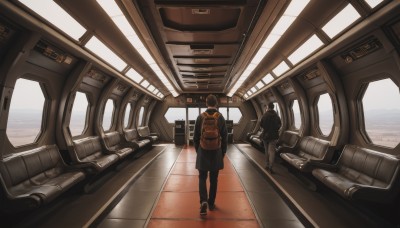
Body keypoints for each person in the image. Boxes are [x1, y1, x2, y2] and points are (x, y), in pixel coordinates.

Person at [193, 94, 227, 216]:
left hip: (203, 151)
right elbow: (225, 136)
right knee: (214, 179)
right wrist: (223, 152)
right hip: (216, 151)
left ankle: (203, 201)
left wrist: (199, 150)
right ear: (216, 103)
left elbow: (195, 137)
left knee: (202, 177)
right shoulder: (220, 117)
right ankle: (211, 203)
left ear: (206, 103)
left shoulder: (200, 117)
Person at [260, 102, 282, 174]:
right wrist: (275, 130)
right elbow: (279, 124)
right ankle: (271, 167)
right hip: (274, 136)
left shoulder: (265, 115)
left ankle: (267, 164)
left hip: (265, 135)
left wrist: (266, 129)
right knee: (272, 151)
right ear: (273, 107)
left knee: (266, 150)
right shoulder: (276, 115)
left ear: (268, 107)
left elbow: (261, 124)